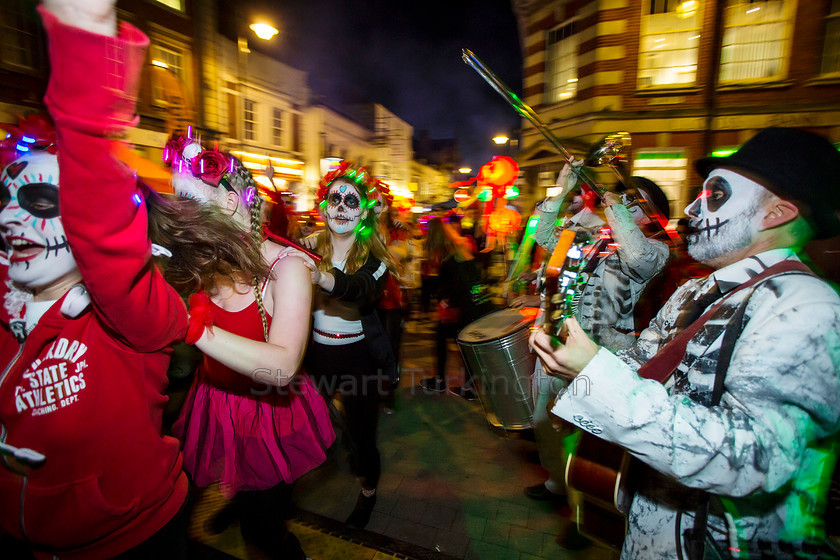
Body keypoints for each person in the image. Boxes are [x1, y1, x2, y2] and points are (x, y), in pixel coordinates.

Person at [531, 126, 840, 559]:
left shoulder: (805, 307)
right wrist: (582, 379)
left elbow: (752, 461)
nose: (693, 208)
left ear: (777, 214)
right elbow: (641, 367)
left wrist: (595, 375)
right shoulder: (696, 291)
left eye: (715, 196)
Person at [0, 3, 193, 557]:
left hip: (133, 540)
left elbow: (103, 225)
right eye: (4, 200)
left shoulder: (133, 309)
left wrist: (83, 36)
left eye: (38, 200)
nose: (13, 218)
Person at [164, 133, 335, 558]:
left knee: (264, 535)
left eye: (186, 199)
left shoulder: (287, 268)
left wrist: (193, 327)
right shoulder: (204, 256)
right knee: (209, 496)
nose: (176, 211)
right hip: (214, 401)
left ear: (228, 202)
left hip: (268, 413)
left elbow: (282, 367)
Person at [526, 163, 671, 513]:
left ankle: (584, 505)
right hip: (557, 343)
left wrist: (615, 209)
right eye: (626, 199)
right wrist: (562, 188)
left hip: (602, 357)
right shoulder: (590, 234)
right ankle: (558, 483)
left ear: (653, 216)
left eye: (637, 202)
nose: (627, 206)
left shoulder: (655, 250)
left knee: (586, 433)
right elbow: (540, 233)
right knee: (542, 420)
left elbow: (635, 255)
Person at [296, 161, 399, 530]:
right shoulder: (308, 247)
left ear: (364, 211)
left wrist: (323, 277)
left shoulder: (375, 260)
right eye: (334, 198)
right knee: (295, 421)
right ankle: (265, 490)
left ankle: (369, 490)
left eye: (350, 200)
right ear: (324, 205)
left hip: (359, 359)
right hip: (317, 355)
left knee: (361, 439)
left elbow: (361, 291)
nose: (341, 207)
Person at [419, 216, 495, 400]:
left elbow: (455, 285)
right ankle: (468, 387)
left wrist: (445, 302)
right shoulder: (462, 250)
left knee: (451, 339)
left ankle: (447, 382)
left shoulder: (448, 258)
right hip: (477, 305)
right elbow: (476, 278)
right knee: (463, 344)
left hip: (465, 307)